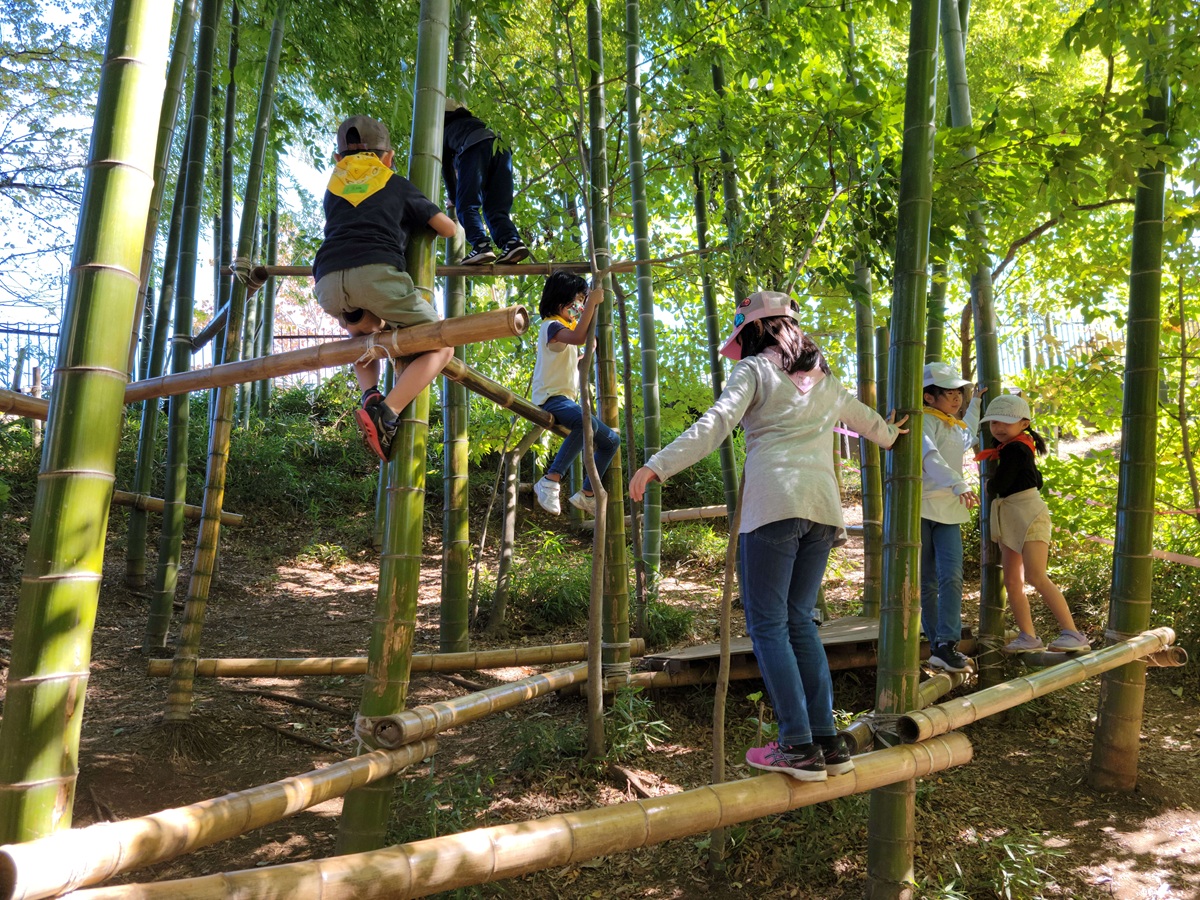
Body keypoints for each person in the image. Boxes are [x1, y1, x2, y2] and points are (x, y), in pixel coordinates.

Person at [629, 291, 908, 782]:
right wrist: (893, 431)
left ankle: (797, 746)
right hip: (822, 512)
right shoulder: (827, 381)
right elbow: (875, 430)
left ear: (754, 331)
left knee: (769, 626)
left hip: (773, 508)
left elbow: (716, 424)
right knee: (800, 621)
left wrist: (656, 466)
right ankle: (827, 742)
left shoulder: (754, 370)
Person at [313, 115, 458, 462]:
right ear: (388, 158)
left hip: (328, 283)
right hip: (377, 275)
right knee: (442, 344)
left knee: (363, 334)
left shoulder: (332, 191)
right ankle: (387, 413)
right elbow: (446, 229)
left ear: (338, 160)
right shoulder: (395, 183)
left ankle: (370, 396)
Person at [976, 393, 1089, 653]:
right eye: (994, 422)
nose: (999, 428)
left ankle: (1073, 633)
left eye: (1006, 422)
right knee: (1013, 581)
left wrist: (989, 484)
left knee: (1036, 576)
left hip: (1028, 515)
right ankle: (1028, 636)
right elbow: (1036, 479)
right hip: (1012, 516)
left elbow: (1000, 485)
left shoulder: (1016, 448)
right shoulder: (1017, 447)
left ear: (1024, 423)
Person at [530, 271, 621, 516]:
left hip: (564, 400)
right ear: (561, 302)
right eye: (578, 301)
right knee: (586, 422)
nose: (580, 307)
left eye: (583, 301)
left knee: (611, 441)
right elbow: (579, 336)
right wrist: (593, 303)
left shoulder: (564, 333)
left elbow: (576, 356)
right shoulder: (551, 326)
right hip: (550, 399)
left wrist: (587, 353)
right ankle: (550, 479)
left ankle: (588, 493)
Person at [920, 362, 985, 673]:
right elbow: (928, 456)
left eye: (958, 392)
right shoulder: (925, 422)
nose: (956, 398)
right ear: (929, 397)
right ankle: (937, 645)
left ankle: (947, 642)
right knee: (928, 581)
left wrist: (977, 403)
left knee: (952, 576)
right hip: (919, 509)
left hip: (949, 511)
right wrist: (959, 483)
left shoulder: (952, 424)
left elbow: (969, 432)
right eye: (949, 393)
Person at [442, 99, 528, 265]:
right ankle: (512, 242)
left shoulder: (445, 130)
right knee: (496, 208)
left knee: (466, 205)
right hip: (502, 148)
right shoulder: (475, 123)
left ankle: (481, 246)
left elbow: (446, 167)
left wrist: (453, 197)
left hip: (474, 147)